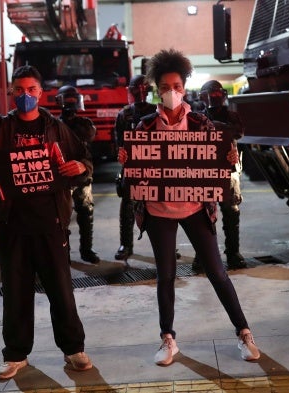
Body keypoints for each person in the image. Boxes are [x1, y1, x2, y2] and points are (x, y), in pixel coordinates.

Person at [0, 66, 94, 379]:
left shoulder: (57, 128)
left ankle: (73, 349)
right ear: (11, 93)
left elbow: (84, 159)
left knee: (62, 291)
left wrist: (80, 166)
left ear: (41, 93)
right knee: (15, 292)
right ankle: (15, 354)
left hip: (51, 223)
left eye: (31, 90)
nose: (25, 96)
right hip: (13, 224)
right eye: (19, 90)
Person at [117, 49, 260, 366]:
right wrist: (127, 163)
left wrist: (228, 158)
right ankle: (168, 339)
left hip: (196, 208)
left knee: (218, 273)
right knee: (165, 276)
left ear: (185, 87)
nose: (172, 92)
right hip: (158, 213)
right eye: (166, 87)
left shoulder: (201, 124)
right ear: (156, 88)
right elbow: (132, 174)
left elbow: (221, 159)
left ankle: (244, 333)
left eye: (177, 86)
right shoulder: (143, 128)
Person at [192, 80, 247, 271]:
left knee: (231, 213)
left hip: (229, 170)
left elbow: (238, 132)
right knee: (205, 216)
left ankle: (233, 253)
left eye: (218, 94)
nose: (215, 97)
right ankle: (204, 256)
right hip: (205, 172)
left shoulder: (231, 115)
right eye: (211, 94)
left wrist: (214, 126)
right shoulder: (197, 117)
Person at [112, 74, 157, 260]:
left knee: (158, 207)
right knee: (127, 206)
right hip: (132, 165)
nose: (140, 93)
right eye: (136, 89)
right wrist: (121, 154)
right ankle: (126, 244)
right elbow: (118, 142)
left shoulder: (157, 111)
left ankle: (164, 245)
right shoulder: (124, 114)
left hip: (154, 166)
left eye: (143, 89)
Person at [56, 85, 100, 264]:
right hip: (62, 176)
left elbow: (89, 137)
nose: (70, 104)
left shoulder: (84, 123)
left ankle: (86, 250)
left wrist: (73, 120)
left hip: (81, 174)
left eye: (73, 100)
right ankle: (63, 253)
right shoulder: (54, 124)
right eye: (67, 100)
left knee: (85, 212)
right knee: (61, 218)